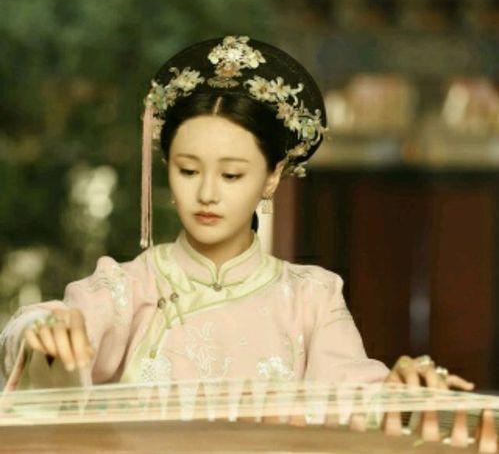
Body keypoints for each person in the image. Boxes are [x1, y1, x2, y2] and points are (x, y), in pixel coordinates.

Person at [0, 36, 473, 397]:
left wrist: (399, 390)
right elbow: (39, 328)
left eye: (231, 175)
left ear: (272, 177)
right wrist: (44, 329)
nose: (206, 194)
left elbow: (352, 394)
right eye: (188, 170)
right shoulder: (128, 287)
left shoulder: (310, 297)